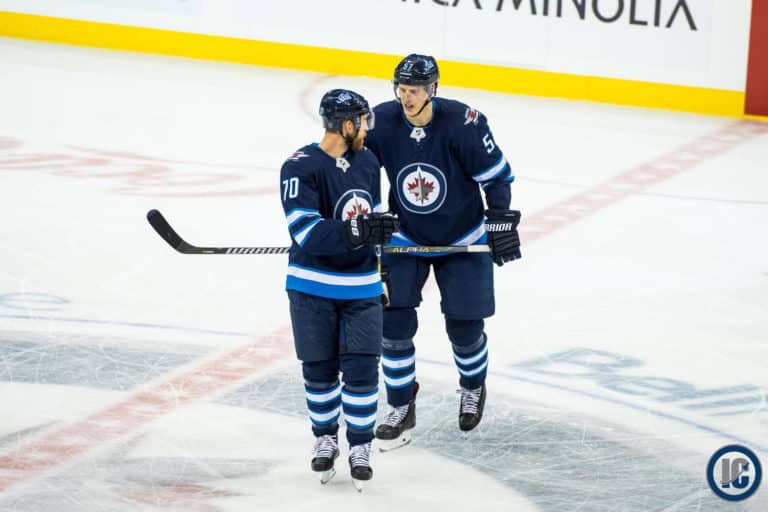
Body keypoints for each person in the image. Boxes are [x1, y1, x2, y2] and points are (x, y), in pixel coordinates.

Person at [364, 54, 521, 449]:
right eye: (401, 89)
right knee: (393, 325)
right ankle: (401, 404)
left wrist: (500, 221)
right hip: (405, 237)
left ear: (432, 89)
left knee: (464, 327)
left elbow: (497, 176)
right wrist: (364, 217)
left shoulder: (463, 124)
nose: (406, 98)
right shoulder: (382, 121)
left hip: (462, 238)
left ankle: (473, 387)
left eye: (414, 91)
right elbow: (355, 170)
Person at [279, 89, 398, 489]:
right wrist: (357, 229)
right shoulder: (299, 166)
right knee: (319, 372)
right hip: (312, 287)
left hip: (361, 287)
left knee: (363, 372)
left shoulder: (368, 162)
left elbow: (374, 228)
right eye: (362, 122)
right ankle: (326, 439)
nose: (367, 129)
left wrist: (382, 271)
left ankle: (360, 446)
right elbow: (307, 233)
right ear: (346, 125)